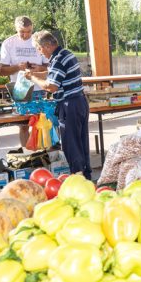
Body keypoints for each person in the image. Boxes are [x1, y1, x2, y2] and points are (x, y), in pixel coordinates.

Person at [25, 31, 91, 180]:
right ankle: (85, 175)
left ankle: (78, 177)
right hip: (79, 102)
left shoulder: (58, 59)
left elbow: (51, 86)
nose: (40, 53)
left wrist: (33, 78)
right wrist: (35, 73)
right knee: (81, 142)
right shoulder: (65, 54)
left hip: (69, 105)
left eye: (39, 49)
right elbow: (52, 74)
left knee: (71, 145)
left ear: (47, 46)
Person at [0, 16, 49, 147]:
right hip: (20, 90)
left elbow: (48, 67)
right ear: (16, 29)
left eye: (29, 31)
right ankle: (27, 152)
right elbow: (2, 71)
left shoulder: (39, 41)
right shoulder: (8, 43)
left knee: (41, 123)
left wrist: (38, 68)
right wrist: (18, 67)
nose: (26, 35)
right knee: (23, 125)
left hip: (39, 88)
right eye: (22, 32)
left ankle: (41, 152)